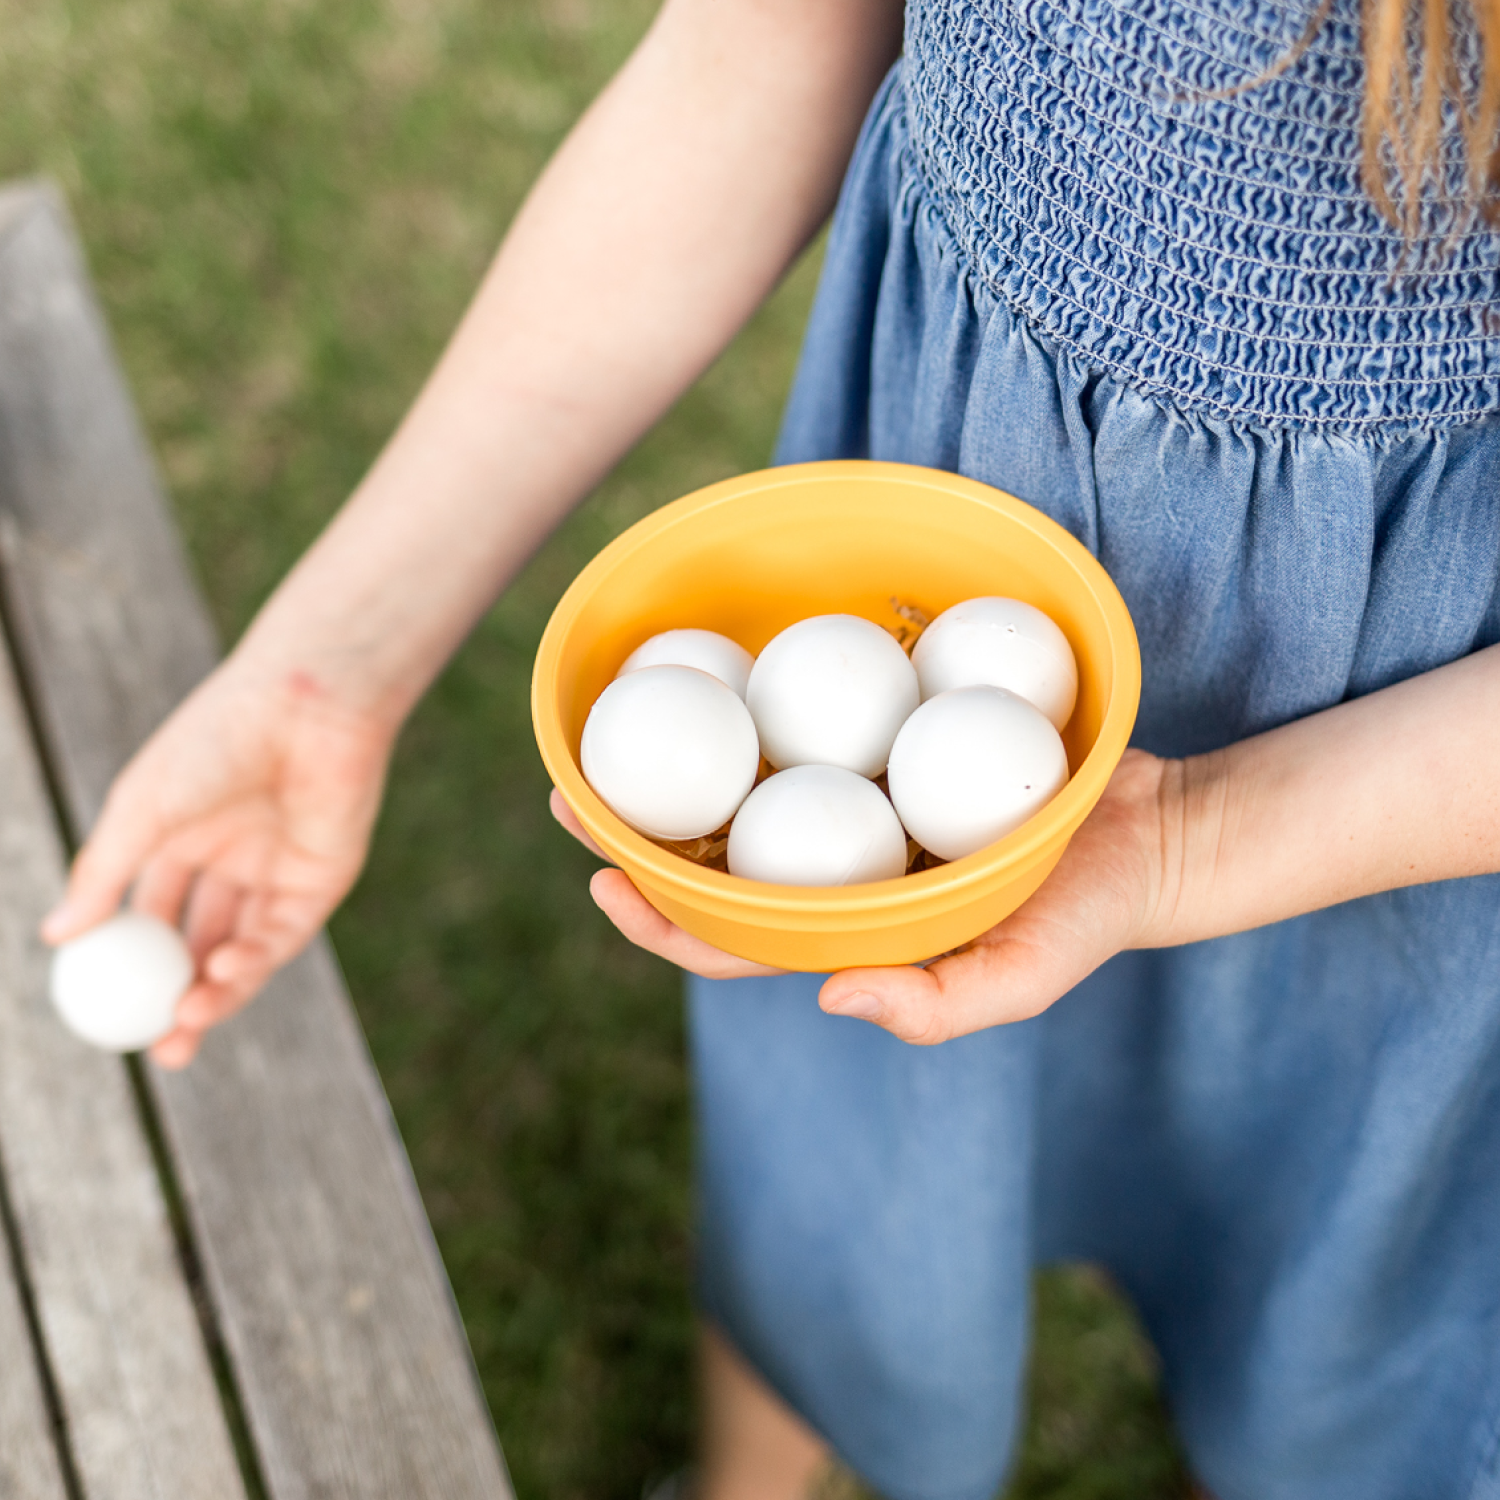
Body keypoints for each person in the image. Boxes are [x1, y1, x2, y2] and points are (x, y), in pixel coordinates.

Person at [41, 0, 1500, 1493]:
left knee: (1355, 1269)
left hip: (1409, 741)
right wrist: (328, 679)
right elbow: (764, 43)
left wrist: (1197, 838)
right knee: (846, 1137)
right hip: (937, 497)